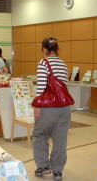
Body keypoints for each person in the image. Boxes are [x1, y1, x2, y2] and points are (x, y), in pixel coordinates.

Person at [33, 37, 70, 181]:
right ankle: (58, 171)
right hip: (64, 108)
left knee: (39, 135)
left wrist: (37, 106)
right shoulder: (63, 63)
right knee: (60, 139)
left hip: (48, 108)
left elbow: (41, 86)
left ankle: (43, 166)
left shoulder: (44, 62)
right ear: (56, 48)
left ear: (44, 49)